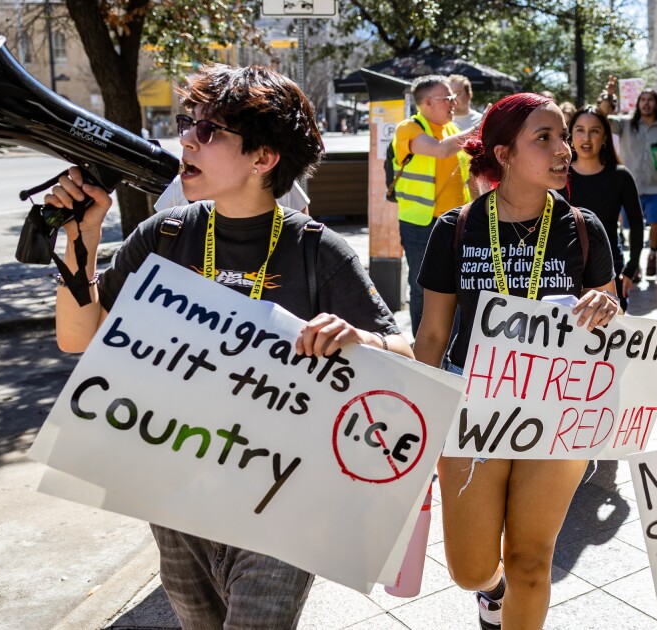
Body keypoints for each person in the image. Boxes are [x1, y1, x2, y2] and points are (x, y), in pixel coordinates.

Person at [45, 64, 411, 629]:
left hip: (285, 508)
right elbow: (77, 338)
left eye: (208, 131)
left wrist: (361, 339)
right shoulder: (164, 235)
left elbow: (406, 358)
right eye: (188, 122)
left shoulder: (319, 250)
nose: (185, 137)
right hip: (174, 499)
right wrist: (83, 238)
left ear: (264, 159)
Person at [414, 93, 619, 630]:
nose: (565, 150)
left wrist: (607, 306)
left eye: (564, 136)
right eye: (544, 138)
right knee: (470, 568)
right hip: (471, 401)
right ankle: (491, 589)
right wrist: (415, 419)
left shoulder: (583, 227)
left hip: (558, 403)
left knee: (532, 560)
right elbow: (433, 334)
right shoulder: (454, 228)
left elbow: (613, 322)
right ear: (503, 153)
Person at [392, 75, 471, 336]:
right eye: (447, 98)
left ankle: (452, 346)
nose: (453, 102)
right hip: (421, 224)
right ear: (426, 103)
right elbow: (439, 150)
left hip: (456, 222)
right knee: (422, 287)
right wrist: (477, 129)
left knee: (458, 285)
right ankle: (424, 349)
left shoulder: (451, 130)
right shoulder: (409, 128)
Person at [596, 78, 657, 278]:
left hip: (656, 186)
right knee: (631, 228)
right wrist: (608, 95)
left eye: (650, 99)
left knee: (656, 223)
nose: (646, 103)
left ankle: (652, 254)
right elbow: (601, 118)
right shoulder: (625, 124)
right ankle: (635, 263)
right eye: (642, 99)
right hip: (629, 187)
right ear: (637, 103)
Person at [565, 105, 644, 310]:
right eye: (580, 130)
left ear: (605, 137)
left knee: (609, 332)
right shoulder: (558, 176)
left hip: (610, 266)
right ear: (570, 135)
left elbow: (636, 223)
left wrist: (630, 269)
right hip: (566, 267)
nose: (586, 138)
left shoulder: (620, 176)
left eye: (595, 131)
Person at [155, 174, 310, 214]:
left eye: (210, 130)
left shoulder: (279, 181)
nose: (187, 140)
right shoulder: (181, 185)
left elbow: (305, 233)